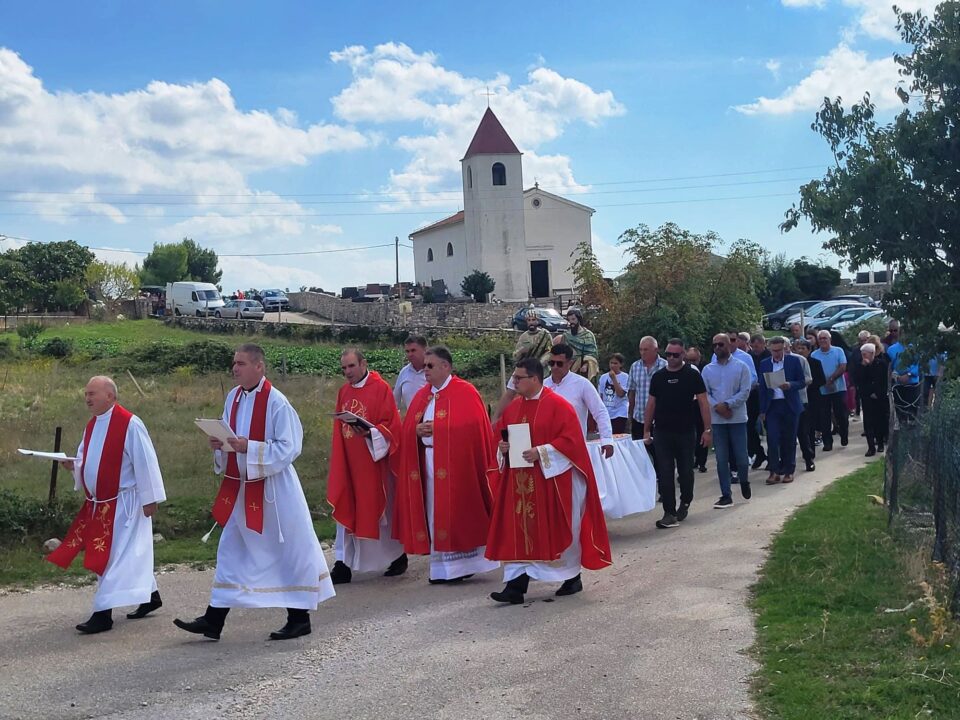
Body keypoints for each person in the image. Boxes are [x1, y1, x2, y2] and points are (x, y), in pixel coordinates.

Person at [174, 344, 334, 641]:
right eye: (234, 363)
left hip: (274, 491)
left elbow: (290, 447)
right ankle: (213, 619)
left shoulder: (277, 402)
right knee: (230, 550)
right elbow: (230, 439)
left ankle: (299, 618)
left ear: (259, 366)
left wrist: (251, 447)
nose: (235, 368)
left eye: (241, 363)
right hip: (240, 487)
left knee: (284, 550)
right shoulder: (232, 397)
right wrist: (219, 444)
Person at [486, 358, 612, 604]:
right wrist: (502, 448)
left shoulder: (559, 406)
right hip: (520, 483)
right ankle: (515, 586)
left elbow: (571, 442)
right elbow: (501, 435)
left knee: (557, 529)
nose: (515, 382)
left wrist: (542, 452)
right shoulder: (513, 408)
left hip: (551, 483)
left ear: (534, 379)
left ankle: (571, 577)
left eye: (519, 378)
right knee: (518, 531)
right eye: (514, 378)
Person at [48, 376, 166, 635]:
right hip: (101, 505)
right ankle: (151, 596)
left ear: (110, 396)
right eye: (86, 394)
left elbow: (145, 461)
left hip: (125, 503)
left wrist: (150, 499)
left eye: (92, 394)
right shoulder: (92, 425)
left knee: (112, 558)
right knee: (124, 555)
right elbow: (87, 459)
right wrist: (74, 466)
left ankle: (102, 614)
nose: (87, 399)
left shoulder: (129, 424)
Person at [394, 346, 500, 583]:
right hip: (429, 461)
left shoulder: (466, 391)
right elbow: (408, 426)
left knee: (457, 515)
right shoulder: (423, 395)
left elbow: (473, 428)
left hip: (457, 467)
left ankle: (463, 566)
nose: (425, 371)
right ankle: (442, 569)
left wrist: (439, 429)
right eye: (424, 367)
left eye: (430, 366)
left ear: (446, 366)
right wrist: (415, 430)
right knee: (434, 513)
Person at [327, 349, 407, 584]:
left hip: (373, 462)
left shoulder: (380, 388)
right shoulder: (344, 391)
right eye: (343, 368)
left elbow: (391, 424)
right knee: (347, 506)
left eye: (351, 366)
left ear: (363, 363)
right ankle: (342, 563)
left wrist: (371, 433)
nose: (347, 372)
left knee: (380, 513)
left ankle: (397, 556)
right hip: (350, 461)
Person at [642, 339, 711, 528]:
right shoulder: (658, 377)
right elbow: (651, 404)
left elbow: (704, 403)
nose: (671, 358)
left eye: (676, 355)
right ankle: (669, 512)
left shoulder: (691, 375)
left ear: (683, 356)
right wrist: (646, 429)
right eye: (668, 354)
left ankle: (686, 500)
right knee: (664, 472)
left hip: (686, 431)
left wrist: (707, 429)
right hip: (662, 431)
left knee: (685, 471)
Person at [701, 334, 753, 508]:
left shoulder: (741, 367)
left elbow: (745, 391)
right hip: (717, 420)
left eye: (720, 344)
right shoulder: (707, 370)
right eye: (714, 345)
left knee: (741, 456)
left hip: (736, 417)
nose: (717, 347)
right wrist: (717, 406)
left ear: (729, 345)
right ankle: (726, 494)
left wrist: (728, 405)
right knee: (721, 458)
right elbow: (704, 393)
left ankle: (744, 480)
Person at [544, 344, 614, 456]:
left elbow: (600, 411)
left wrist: (606, 439)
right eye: (552, 363)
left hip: (574, 448)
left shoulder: (582, 384)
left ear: (570, 363)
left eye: (559, 363)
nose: (555, 367)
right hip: (547, 449)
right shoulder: (543, 386)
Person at [758, 338, 806, 484]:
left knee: (789, 439)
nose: (777, 353)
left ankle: (788, 470)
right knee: (772, 439)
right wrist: (762, 410)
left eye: (779, 350)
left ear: (784, 348)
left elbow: (802, 381)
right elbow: (762, 388)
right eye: (774, 350)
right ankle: (774, 470)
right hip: (772, 406)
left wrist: (790, 385)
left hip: (789, 404)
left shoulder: (793, 361)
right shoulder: (765, 364)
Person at [811, 330, 849, 451]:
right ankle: (828, 442)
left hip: (838, 388)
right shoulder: (814, 355)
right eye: (820, 338)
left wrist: (832, 379)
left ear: (830, 339)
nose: (822, 340)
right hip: (822, 390)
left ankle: (843, 434)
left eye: (825, 338)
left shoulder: (838, 351)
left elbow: (843, 366)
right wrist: (824, 382)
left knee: (840, 414)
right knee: (824, 416)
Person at [627, 336, 667, 442]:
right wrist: (630, 416)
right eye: (641, 349)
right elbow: (632, 393)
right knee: (639, 456)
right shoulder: (635, 367)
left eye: (646, 349)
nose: (642, 352)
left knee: (660, 456)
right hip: (638, 419)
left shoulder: (665, 366)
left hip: (659, 420)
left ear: (655, 350)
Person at [789, 339, 818, 472]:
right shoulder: (774, 362)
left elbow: (809, 379)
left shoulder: (800, 360)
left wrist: (793, 384)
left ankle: (808, 458)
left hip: (800, 400)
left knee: (802, 432)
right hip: (781, 402)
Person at [856, 343, 889, 456]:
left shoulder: (881, 364)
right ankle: (871, 447)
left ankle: (880, 443)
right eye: (862, 354)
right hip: (866, 397)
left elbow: (883, 381)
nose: (863, 356)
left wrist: (877, 393)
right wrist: (863, 367)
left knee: (879, 421)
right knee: (868, 423)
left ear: (872, 353)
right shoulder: (860, 365)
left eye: (865, 354)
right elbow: (859, 380)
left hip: (879, 397)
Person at [886, 332, 921, 425]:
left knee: (913, 413)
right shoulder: (891, 349)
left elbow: (919, 364)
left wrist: (909, 374)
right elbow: (889, 367)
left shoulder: (915, 348)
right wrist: (897, 376)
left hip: (913, 384)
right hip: (898, 384)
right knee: (901, 412)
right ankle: (903, 433)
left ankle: (913, 433)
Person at [747, 333, 770, 470]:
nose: (755, 348)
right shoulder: (749, 357)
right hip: (753, 396)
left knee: (769, 427)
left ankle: (773, 457)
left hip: (766, 395)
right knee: (749, 427)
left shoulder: (769, 356)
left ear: (763, 344)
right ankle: (759, 452)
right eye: (753, 346)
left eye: (757, 346)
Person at [557, 308, 599, 379]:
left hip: (585, 364)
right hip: (570, 364)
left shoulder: (588, 335)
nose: (571, 322)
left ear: (579, 319)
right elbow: (562, 353)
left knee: (591, 361)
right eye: (569, 320)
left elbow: (593, 354)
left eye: (573, 319)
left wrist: (586, 364)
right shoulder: (566, 336)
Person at [686, 346, 709, 473]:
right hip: (690, 403)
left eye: (694, 360)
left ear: (699, 358)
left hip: (699, 402)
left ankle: (702, 461)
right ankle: (694, 459)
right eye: (689, 360)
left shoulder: (704, 368)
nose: (692, 363)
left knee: (702, 431)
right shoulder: (685, 369)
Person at [393, 335, 428, 413]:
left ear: (425, 350)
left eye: (413, 350)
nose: (410, 354)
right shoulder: (404, 373)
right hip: (412, 422)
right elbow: (395, 403)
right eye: (407, 351)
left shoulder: (434, 371)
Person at [598, 354, 630, 434]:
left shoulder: (625, 377)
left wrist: (614, 378)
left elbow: (621, 394)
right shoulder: (603, 377)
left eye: (615, 363)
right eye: (611, 363)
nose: (612, 365)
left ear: (621, 364)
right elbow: (601, 396)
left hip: (620, 413)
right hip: (607, 413)